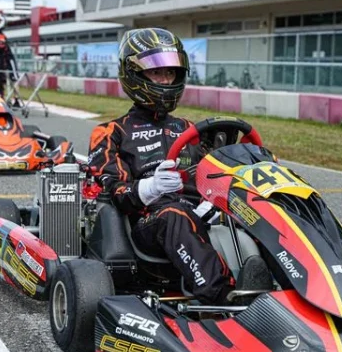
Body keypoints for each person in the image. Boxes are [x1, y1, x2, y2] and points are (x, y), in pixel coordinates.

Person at [88, 28, 270, 306]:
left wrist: (218, 198)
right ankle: (224, 297)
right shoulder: (111, 132)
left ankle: (297, 286)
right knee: (174, 215)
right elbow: (114, 191)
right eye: (156, 73)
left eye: (170, 73)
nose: (165, 80)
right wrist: (150, 188)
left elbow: (216, 175)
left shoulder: (190, 129)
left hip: (199, 213)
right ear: (134, 75)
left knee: (257, 207)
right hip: (147, 223)